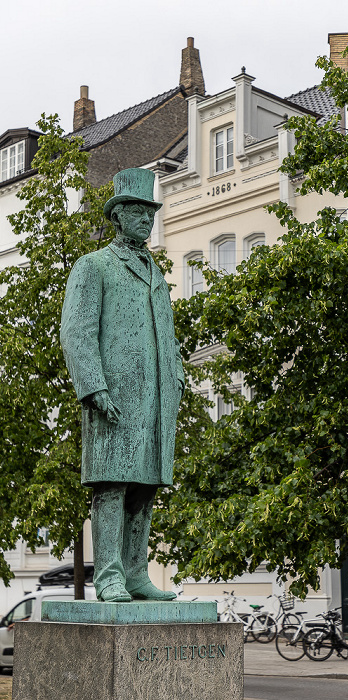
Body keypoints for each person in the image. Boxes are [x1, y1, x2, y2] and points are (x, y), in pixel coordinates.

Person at [60, 168, 184, 602]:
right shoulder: (93, 266)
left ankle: (136, 574)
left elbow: (168, 337)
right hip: (113, 397)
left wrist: (178, 376)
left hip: (155, 399)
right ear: (118, 216)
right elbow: (76, 332)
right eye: (137, 212)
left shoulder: (157, 274)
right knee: (112, 485)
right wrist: (94, 388)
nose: (146, 220)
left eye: (150, 213)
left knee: (145, 488)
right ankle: (109, 575)